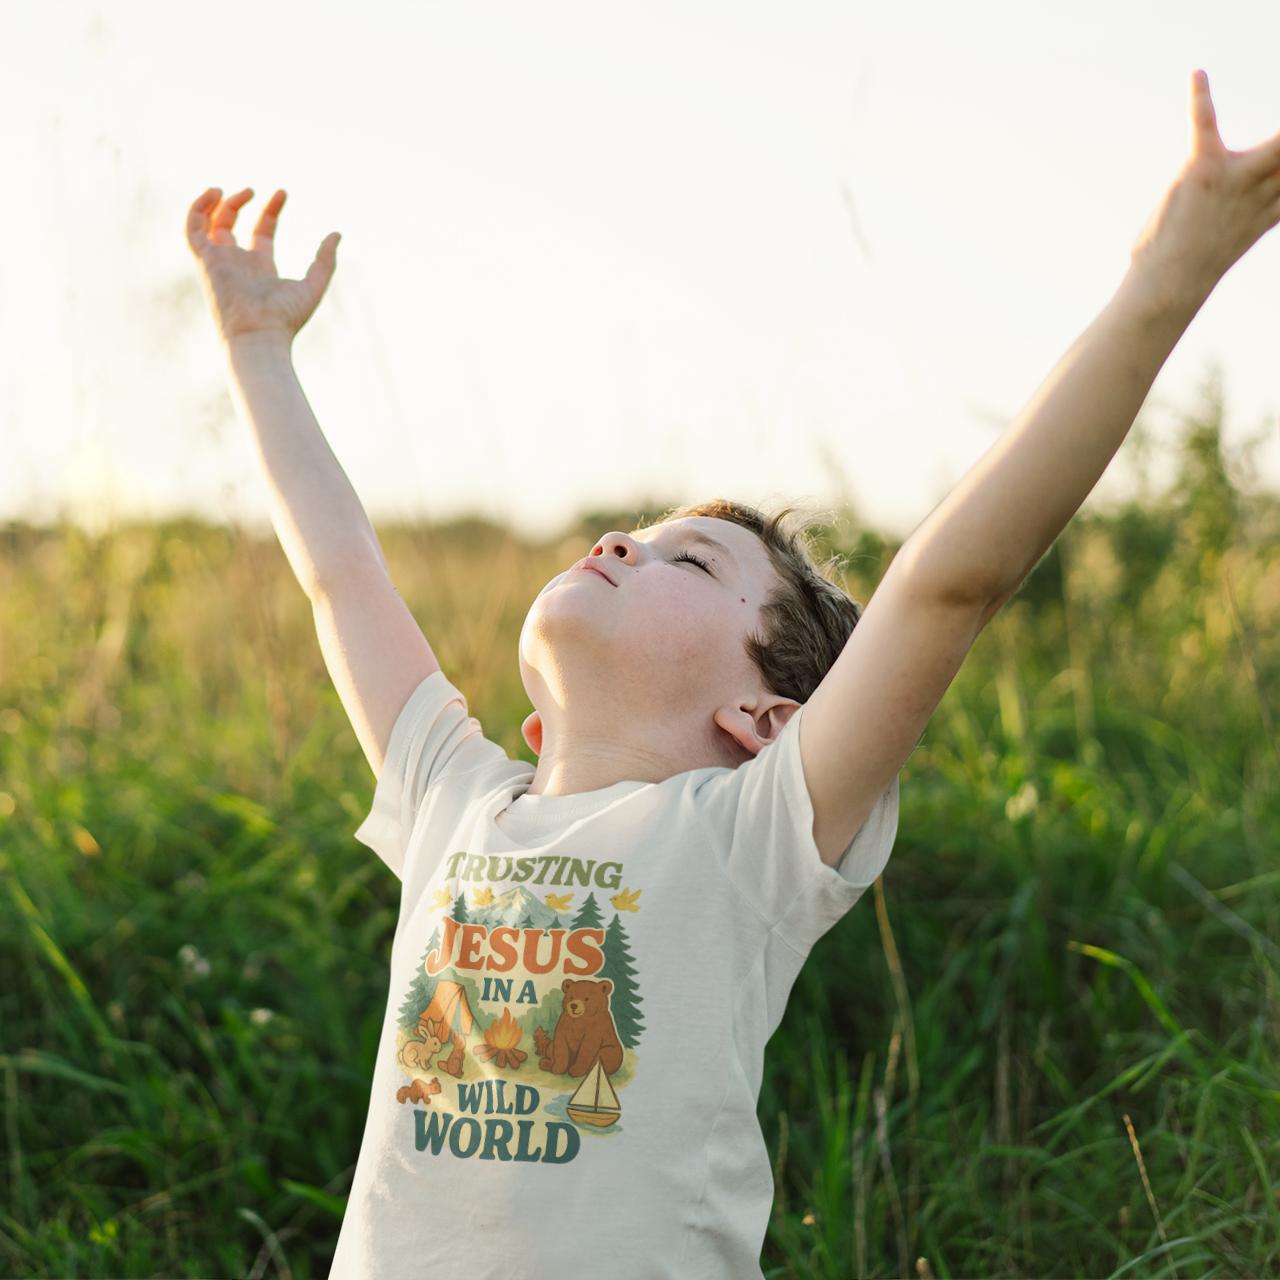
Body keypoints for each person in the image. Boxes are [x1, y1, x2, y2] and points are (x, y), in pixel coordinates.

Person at [186, 73, 1280, 1278]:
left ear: (762, 714)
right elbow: (340, 574)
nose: (617, 541)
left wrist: (1166, 275)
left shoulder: (747, 834)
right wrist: (256, 349)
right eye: (631, 535)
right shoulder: (454, 797)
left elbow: (947, 585)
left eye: (686, 558)